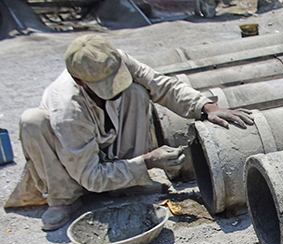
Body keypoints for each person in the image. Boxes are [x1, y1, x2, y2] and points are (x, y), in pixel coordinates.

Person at [3, 34, 253, 231]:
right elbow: (89, 176)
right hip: (74, 161)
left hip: (106, 147)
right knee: (32, 120)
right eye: (104, 85)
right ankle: (63, 199)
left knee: (136, 91)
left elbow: (161, 85)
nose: (113, 86)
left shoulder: (115, 59)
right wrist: (149, 161)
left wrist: (205, 107)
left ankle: (128, 183)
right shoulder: (68, 110)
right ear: (80, 81)